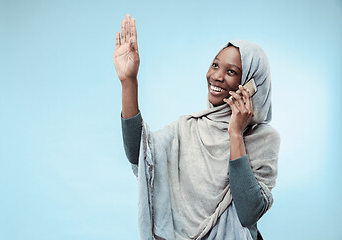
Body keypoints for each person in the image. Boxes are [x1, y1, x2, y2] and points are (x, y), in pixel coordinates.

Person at [114, 14, 280, 240]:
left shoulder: (264, 138)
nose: (217, 76)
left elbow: (249, 212)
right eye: (215, 65)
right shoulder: (187, 128)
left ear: (252, 84)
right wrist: (128, 82)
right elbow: (140, 155)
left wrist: (235, 133)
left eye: (231, 72)